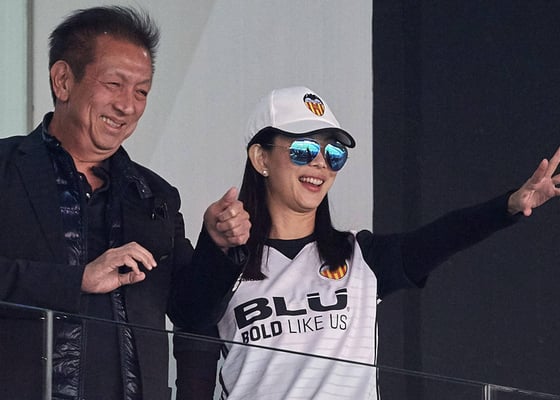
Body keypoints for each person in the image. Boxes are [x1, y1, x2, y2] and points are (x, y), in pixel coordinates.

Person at [181, 86, 560, 399]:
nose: (320, 164)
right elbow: (190, 322)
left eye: (333, 154)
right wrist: (216, 246)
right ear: (261, 158)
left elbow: (444, 236)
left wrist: (508, 206)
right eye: (303, 150)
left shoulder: (360, 257)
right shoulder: (226, 263)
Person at [0, 6, 250, 400]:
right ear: (63, 81)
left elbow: (191, 312)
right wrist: (77, 280)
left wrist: (216, 247)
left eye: (141, 91)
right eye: (114, 84)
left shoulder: (154, 195)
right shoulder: (7, 170)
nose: (128, 106)